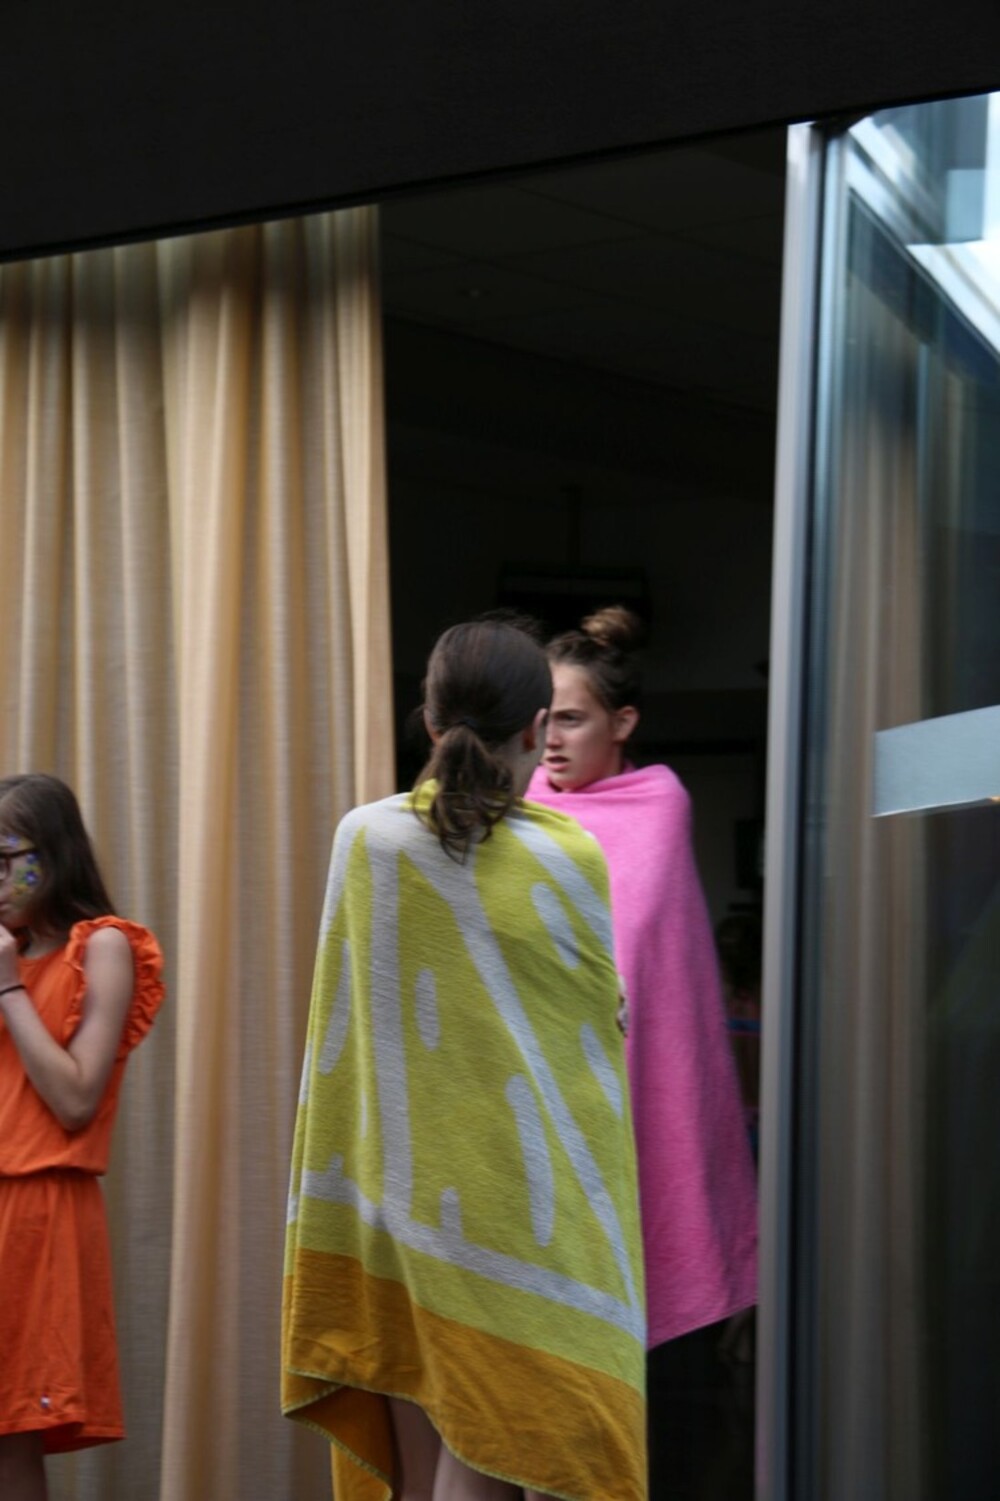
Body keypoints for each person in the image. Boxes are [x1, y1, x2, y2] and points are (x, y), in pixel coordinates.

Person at [282, 618, 647, 1501]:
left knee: (443, 1454)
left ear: (429, 719)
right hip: (532, 1213)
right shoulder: (570, 857)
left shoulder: (366, 840)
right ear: (535, 728)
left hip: (404, 1202)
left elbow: (350, 1032)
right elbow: (597, 1034)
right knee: (517, 1454)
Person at [526, 607, 757, 1351]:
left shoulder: (659, 805)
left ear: (622, 723)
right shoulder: (518, 810)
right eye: (542, 719)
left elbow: (640, 959)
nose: (550, 739)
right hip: (536, 1088)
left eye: (571, 719)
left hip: (633, 1080)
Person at [0, 773, 165, 1501]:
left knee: (9, 1442)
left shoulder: (103, 946)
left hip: (37, 1211)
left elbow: (74, 1098)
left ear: (54, 852)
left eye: (6, 859)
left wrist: (8, 987)